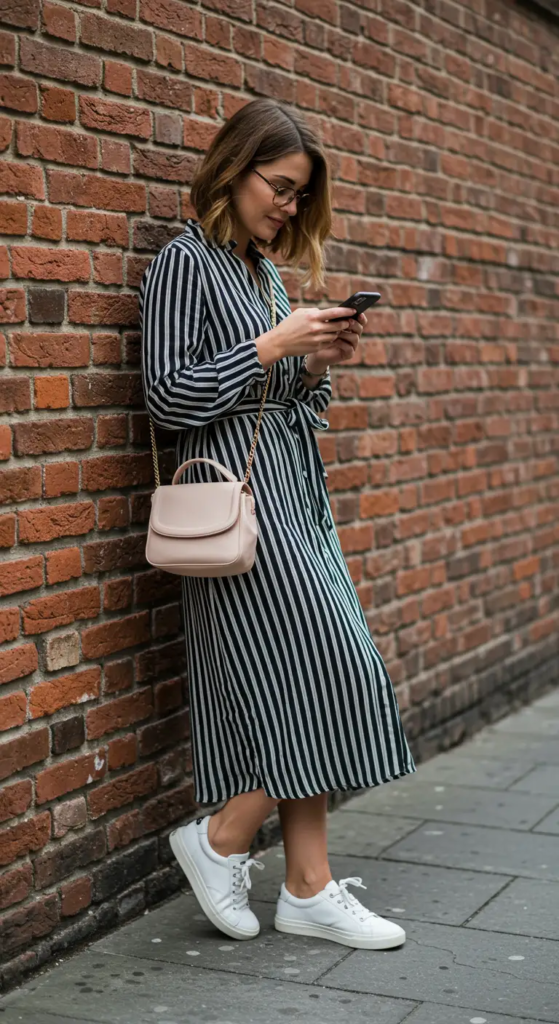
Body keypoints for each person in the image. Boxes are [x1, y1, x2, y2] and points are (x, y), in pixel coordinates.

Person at [140, 97, 416, 952]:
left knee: (306, 676)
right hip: (238, 507)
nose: (289, 208)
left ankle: (306, 885)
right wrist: (271, 348)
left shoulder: (262, 274)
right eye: (282, 187)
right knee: (331, 672)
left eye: (300, 196)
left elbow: (287, 398)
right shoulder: (186, 263)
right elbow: (166, 394)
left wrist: (313, 357)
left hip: (295, 502)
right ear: (236, 167)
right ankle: (221, 836)